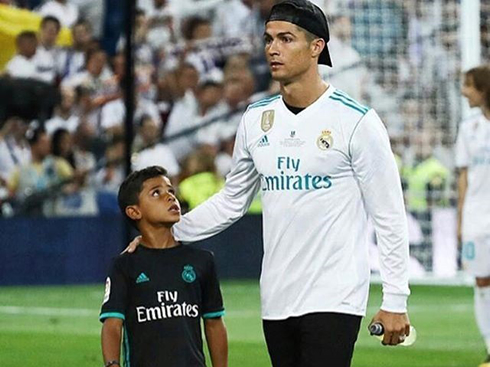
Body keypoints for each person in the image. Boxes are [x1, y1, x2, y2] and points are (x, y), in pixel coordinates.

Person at [128, 1, 411, 366]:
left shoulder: (356, 121)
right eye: (269, 39)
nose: (272, 49)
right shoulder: (256, 119)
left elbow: (389, 215)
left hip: (334, 294)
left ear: (316, 47)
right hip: (276, 294)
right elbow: (232, 200)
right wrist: (169, 233)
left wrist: (395, 300)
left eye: (286, 39)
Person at [100, 166, 228, 367]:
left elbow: (213, 323)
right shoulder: (125, 264)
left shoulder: (202, 261)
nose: (169, 197)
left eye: (170, 191)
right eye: (156, 193)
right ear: (134, 211)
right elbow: (112, 325)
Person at [456, 65, 490, 367]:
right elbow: (464, 175)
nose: (464, 92)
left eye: (468, 86)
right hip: (478, 217)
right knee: (482, 281)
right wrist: (461, 219)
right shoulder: (469, 128)